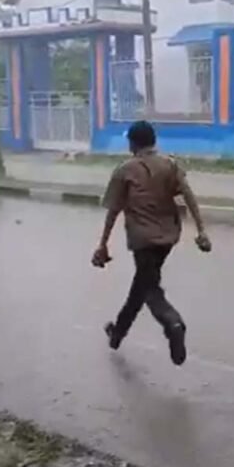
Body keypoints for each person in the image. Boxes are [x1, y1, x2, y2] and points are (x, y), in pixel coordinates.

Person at [92, 120, 211, 366]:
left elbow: (113, 210)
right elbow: (189, 196)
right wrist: (201, 230)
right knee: (143, 287)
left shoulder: (125, 170)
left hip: (142, 239)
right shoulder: (170, 164)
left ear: (133, 143)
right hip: (167, 238)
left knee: (149, 290)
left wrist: (102, 245)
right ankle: (117, 334)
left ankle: (173, 323)